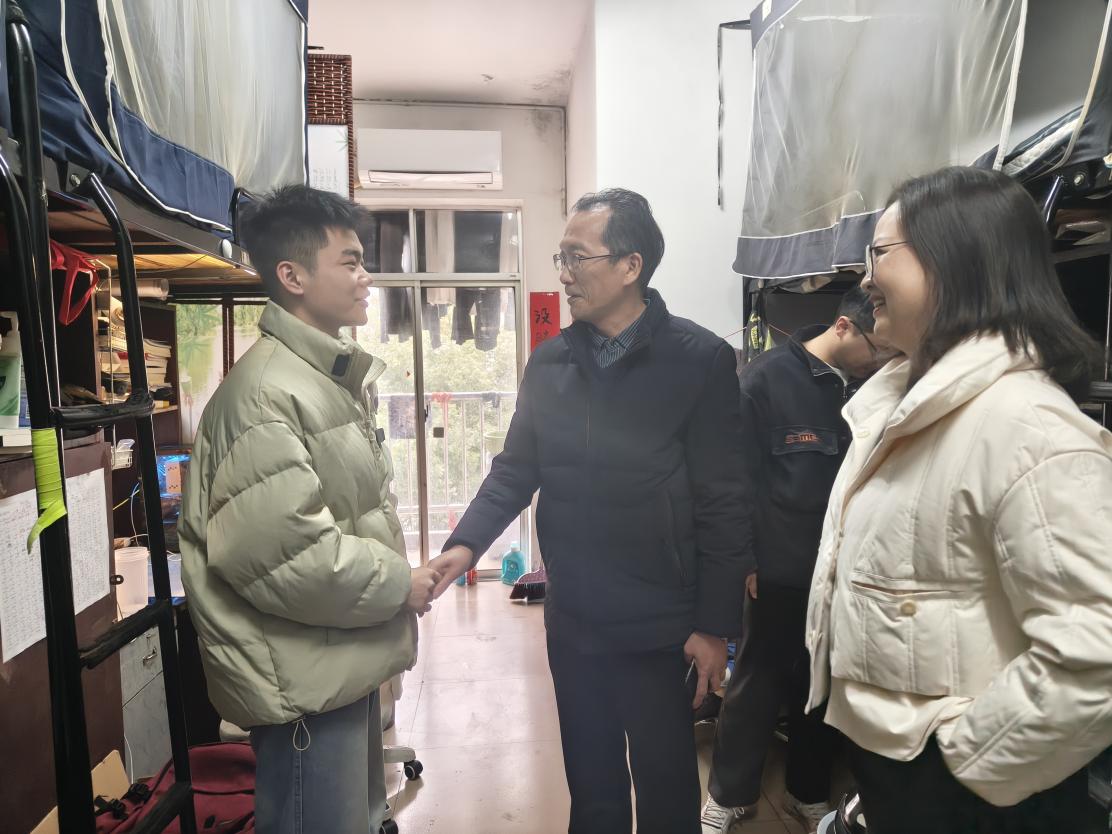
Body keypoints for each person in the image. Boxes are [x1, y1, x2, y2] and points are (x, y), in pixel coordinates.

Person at [431, 188, 752, 834]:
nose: (565, 274)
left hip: (661, 624)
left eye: (578, 257)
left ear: (631, 266)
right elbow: (516, 469)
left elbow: (724, 500)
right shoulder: (551, 363)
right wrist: (462, 548)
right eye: (562, 258)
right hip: (575, 618)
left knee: (665, 790)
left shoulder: (699, 361)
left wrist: (715, 627)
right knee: (593, 787)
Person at [805, 166, 1112, 833]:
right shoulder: (903, 408)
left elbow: (1098, 651)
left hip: (972, 797)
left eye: (880, 254)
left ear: (955, 261)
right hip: (902, 771)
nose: (865, 278)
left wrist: (965, 763)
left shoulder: (1026, 427)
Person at [179, 185, 441, 834]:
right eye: (349, 262)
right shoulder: (266, 395)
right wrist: (398, 584)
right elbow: (290, 556)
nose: (365, 276)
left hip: (332, 660)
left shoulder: (320, 379)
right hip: (300, 681)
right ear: (292, 276)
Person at [700, 287, 895, 834]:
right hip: (779, 563)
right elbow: (734, 478)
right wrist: (745, 558)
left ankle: (808, 791)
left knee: (821, 684)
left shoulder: (870, 388)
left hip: (844, 570)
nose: (881, 360)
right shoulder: (765, 381)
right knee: (757, 679)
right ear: (843, 327)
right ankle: (729, 793)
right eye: (876, 349)